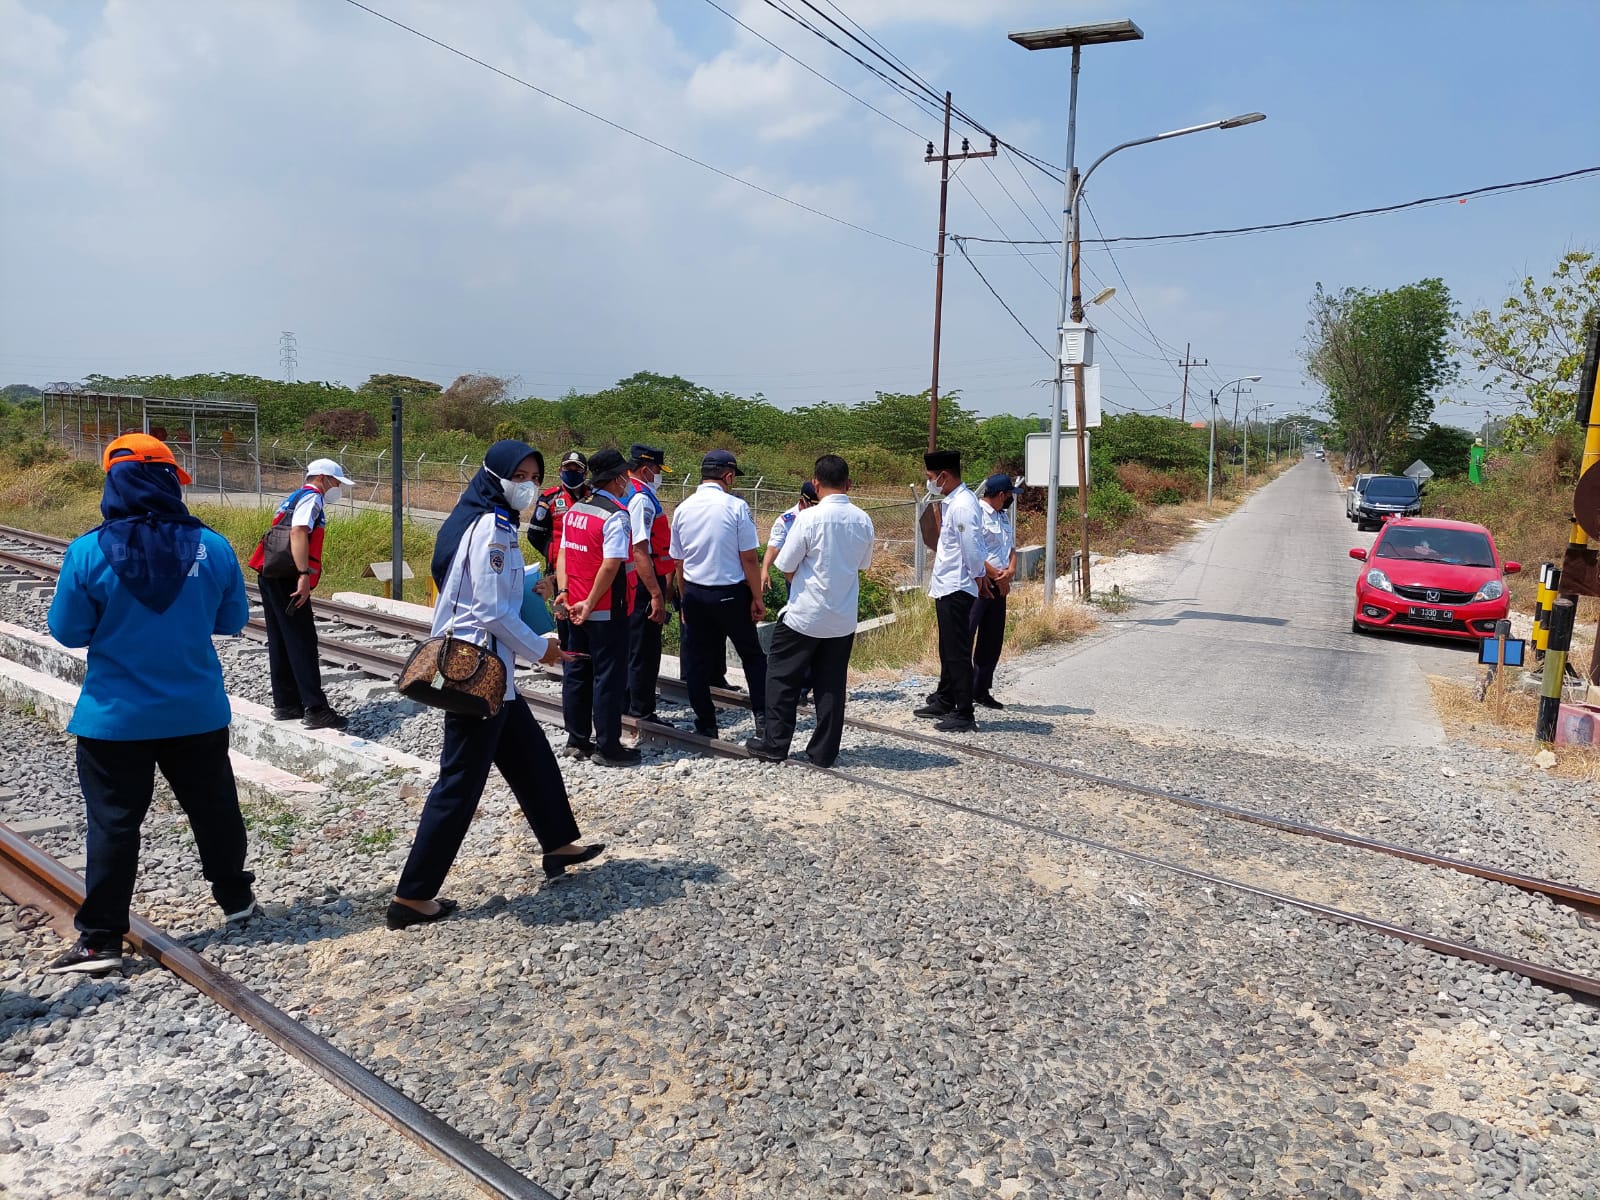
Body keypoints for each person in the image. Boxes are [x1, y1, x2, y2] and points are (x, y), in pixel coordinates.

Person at [44, 434, 255, 974]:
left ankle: (101, 940)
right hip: (196, 711)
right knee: (214, 809)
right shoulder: (214, 546)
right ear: (168, 481)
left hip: (115, 718)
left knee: (114, 824)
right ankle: (237, 900)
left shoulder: (88, 551)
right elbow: (231, 621)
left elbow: (68, 631)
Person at [390, 440, 602, 930]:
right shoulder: (492, 526)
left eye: (534, 476)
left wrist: (531, 588)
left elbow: (480, 588)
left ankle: (558, 843)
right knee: (459, 783)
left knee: (532, 757)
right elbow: (487, 609)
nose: (528, 485)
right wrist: (540, 649)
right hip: (475, 678)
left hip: (493, 676)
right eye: (519, 476)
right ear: (494, 475)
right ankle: (412, 897)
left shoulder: (491, 520)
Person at [745, 455, 873, 768]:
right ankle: (824, 752)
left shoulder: (808, 518)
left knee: (781, 678)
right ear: (849, 484)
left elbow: (786, 565)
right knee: (831, 685)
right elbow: (861, 565)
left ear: (815, 483)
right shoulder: (863, 520)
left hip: (804, 616)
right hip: (842, 618)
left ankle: (775, 745)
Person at [248, 457, 355, 730]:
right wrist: (303, 574)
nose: (338, 488)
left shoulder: (293, 497)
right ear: (322, 478)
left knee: (280, 639)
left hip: (270, 572)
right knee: (301, 640)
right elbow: (298, 532)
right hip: (289, 577)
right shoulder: (312, 498)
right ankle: (316, 709)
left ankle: (287, 703)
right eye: (336, 482)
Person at [669, 449, 768, 740]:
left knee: (697, 660)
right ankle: (763, 718)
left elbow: (679, 562)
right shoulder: (736, 507)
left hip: (695, 593)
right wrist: (757, 597)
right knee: (752, 656)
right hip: (730, 594)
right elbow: (749, 558)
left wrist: (684, 599)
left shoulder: (683, 508)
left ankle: (706, 722)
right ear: (728, 476)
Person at [555, 448, 642, 767]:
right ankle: (608, 747)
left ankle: (577, 741)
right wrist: (591, 603)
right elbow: (611, 564)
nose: (627, 481)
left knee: (577, 672)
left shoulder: (576, 509)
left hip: (573, 608)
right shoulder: (616, 515)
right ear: (617, 479)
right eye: (625, 476)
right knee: (608, 678)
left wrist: (564, 592)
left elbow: (563, 554)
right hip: (605, 610)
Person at [915, 449, 987, 732]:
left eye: (931, 477)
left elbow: (972, 547)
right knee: (947, 648)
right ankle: (945, 698)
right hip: (947, 585)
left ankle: (964, 711)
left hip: (957, 586)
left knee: (957, 651)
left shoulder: (963, 506)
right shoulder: (954, 502)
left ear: (943, 476)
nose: (929, 482)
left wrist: (978, 575)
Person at [623, 445, 674, 727]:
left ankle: (626, 702)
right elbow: (640, 549)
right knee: (644, 650)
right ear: (645, 470)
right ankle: (641, 709)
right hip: (643, 581)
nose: (658, 476)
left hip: (629, 580)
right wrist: (656, 593)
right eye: (656, 470)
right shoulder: (641, 499)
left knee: (631, 646)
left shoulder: (623, 490)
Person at [528, 450, 590, 650]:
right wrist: (553, 555)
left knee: (585, 623)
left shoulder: (593, 497)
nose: (572, 472)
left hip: (587, 574)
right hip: (558, 575)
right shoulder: (550, 498)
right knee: (564, 623)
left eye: (576, 469)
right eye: (567, 468)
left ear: (585, 473)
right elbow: (534, 534)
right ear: (560, 470)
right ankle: (567, 662)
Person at [971, 474, 1018, 710]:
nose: (1011, 499)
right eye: (1009, 495)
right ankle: (957, 689)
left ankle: (981, 689)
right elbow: (973, 550)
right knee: (966, 634)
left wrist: (1010, 571)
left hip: (1000, 584)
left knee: (992, 639)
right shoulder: (976, 513)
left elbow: (1011, 548)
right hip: (980, 583)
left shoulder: (1002, 516)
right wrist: (997, 576)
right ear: (1001, 495)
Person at [761, 480, 820, 588]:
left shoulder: (822, 517)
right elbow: (774, 547)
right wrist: (765, 570)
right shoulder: (787, 521)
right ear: (802, 502)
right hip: (796, 577)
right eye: (813, 506)